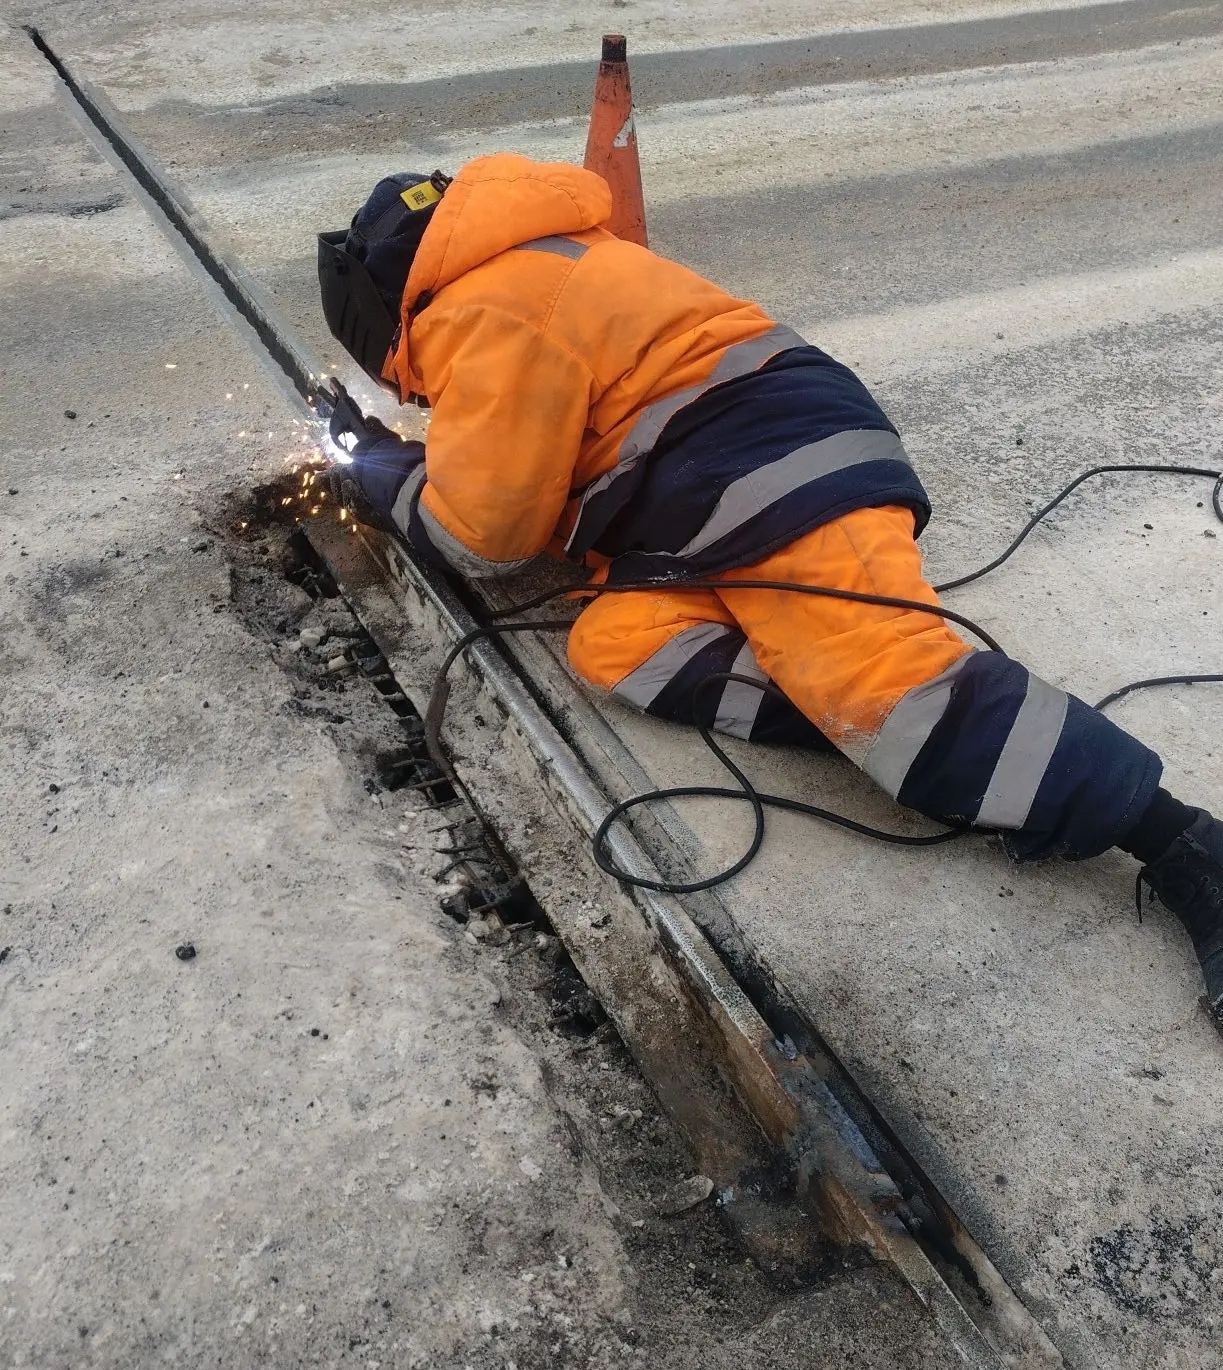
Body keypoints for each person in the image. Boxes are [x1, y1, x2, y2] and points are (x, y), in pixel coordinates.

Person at [316, 153, 1223, 1021]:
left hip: (777, 467)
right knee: (616, 645)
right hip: (702, 501)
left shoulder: (485, 311)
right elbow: (533, 460)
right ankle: (879, 732)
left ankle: (1181, 841)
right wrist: (414, 461)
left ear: (377, 315)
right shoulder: (523, 264)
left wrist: (391, 475)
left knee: (884, 687)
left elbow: (484, 540)